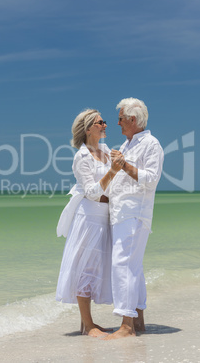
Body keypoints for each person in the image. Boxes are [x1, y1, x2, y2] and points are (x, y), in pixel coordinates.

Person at [56, 109, 124, 337]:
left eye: (104, 122)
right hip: (89, 219)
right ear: (87, 129)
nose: (105, 125)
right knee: (84, 268)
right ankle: (88, 325)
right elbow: (93, 193)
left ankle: (88, 325)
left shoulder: (106, 151)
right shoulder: (81, 158)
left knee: (97, 267)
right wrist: (113, 171)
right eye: (100, 122)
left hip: (106, 216)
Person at [104, 97, 164, 340]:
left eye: (120, 118)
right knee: (133, 267)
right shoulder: (128, 144)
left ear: (132, 119)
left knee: (123, 264)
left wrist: (124, 164)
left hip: (134, 214)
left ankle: (126, 325)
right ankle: (138, 321)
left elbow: (151, 179)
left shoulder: (151, 144)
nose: (116, 123)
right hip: (122, 214)